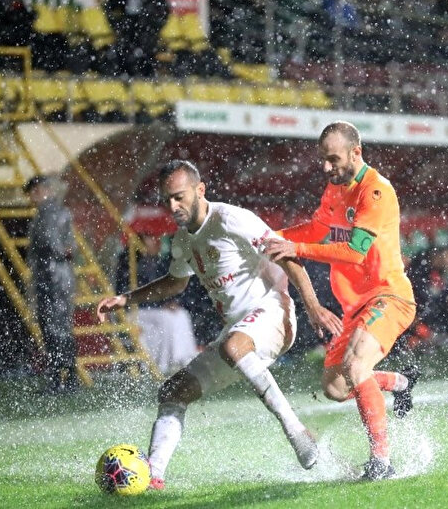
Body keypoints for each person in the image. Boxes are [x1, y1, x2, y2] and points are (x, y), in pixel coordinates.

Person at [96, 160, 342, 491]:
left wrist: (313, 307)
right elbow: (175, 283)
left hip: (272, 311)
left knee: (233, 345)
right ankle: (152, 477)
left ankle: (297, 431)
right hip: (237, 332)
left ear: (200, 190)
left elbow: (286, 257)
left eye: (179, 197)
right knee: (172, 392)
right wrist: (128, 298)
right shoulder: (183, 240)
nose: (173, 206)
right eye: (167, 199)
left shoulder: (231, 219)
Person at [264, 121, 420, 481]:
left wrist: (296, 248)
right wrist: (271, 237)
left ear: (356, 153)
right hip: (356, 306)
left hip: (389, 296)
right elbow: (316, 229)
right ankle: (399, 383)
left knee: (355, 367)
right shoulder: (334, 190)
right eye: (322, 160)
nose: (326, 168)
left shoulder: (375, 192)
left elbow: (355, 251)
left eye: (332, 159)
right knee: (335, 387)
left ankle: (381, 461)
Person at [115, 230, 197, 375]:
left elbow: (166, 288)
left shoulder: (157, 262)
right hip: (137, 311)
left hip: (153, 309)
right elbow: (131, 293)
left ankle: (185, 359)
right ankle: (162, 365)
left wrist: (171, 302)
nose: (155, 243)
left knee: (181, 315)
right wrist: (159, 305)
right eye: (150, 241)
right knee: (165, 319)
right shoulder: (130, 263)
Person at [24, 175, 79, 393]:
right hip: (58, 277)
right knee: (60, 327)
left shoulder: (48, 214)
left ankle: (59, 378)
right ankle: (67, 377)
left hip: (52, 278)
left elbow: (50, 242)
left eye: (33, 192)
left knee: (54, 328)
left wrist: (57, 253)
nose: (31, 198)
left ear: (40, 190)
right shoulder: (58, 211)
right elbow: (68, 246)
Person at [104, 0, 169, 75]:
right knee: (126, 59)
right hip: (127, 28)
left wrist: (154, 27)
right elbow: (110, 7)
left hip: (146, 30)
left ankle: (146, 83)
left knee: (146, 62)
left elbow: (164, 10)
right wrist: (117, 25)